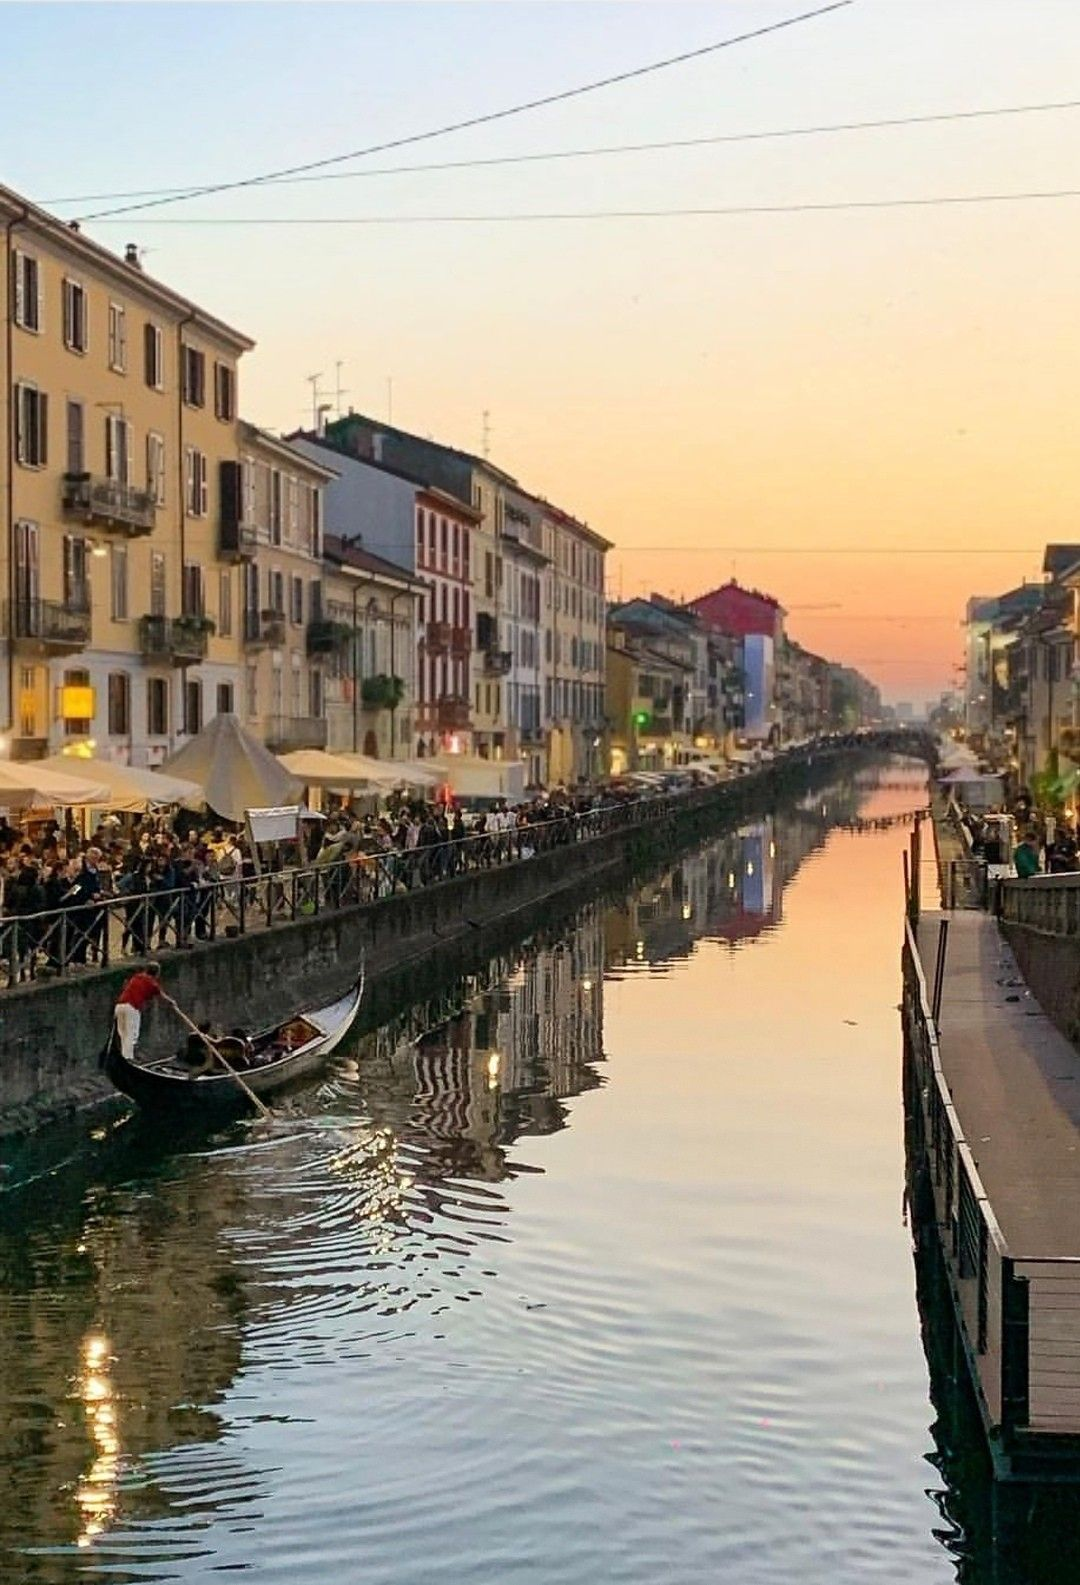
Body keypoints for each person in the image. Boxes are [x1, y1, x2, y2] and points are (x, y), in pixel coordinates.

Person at [113, 961, 172, 1060]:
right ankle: (128, 1058)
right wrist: (172, 1002)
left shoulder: (136, 977)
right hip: (131, 1008)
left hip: (119, 1006)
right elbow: (163, 996)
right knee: (131, 1035)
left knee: (123, 1034)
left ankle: (125, 1056)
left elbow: (126, 986)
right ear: (157, 973)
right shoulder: (153, 983)